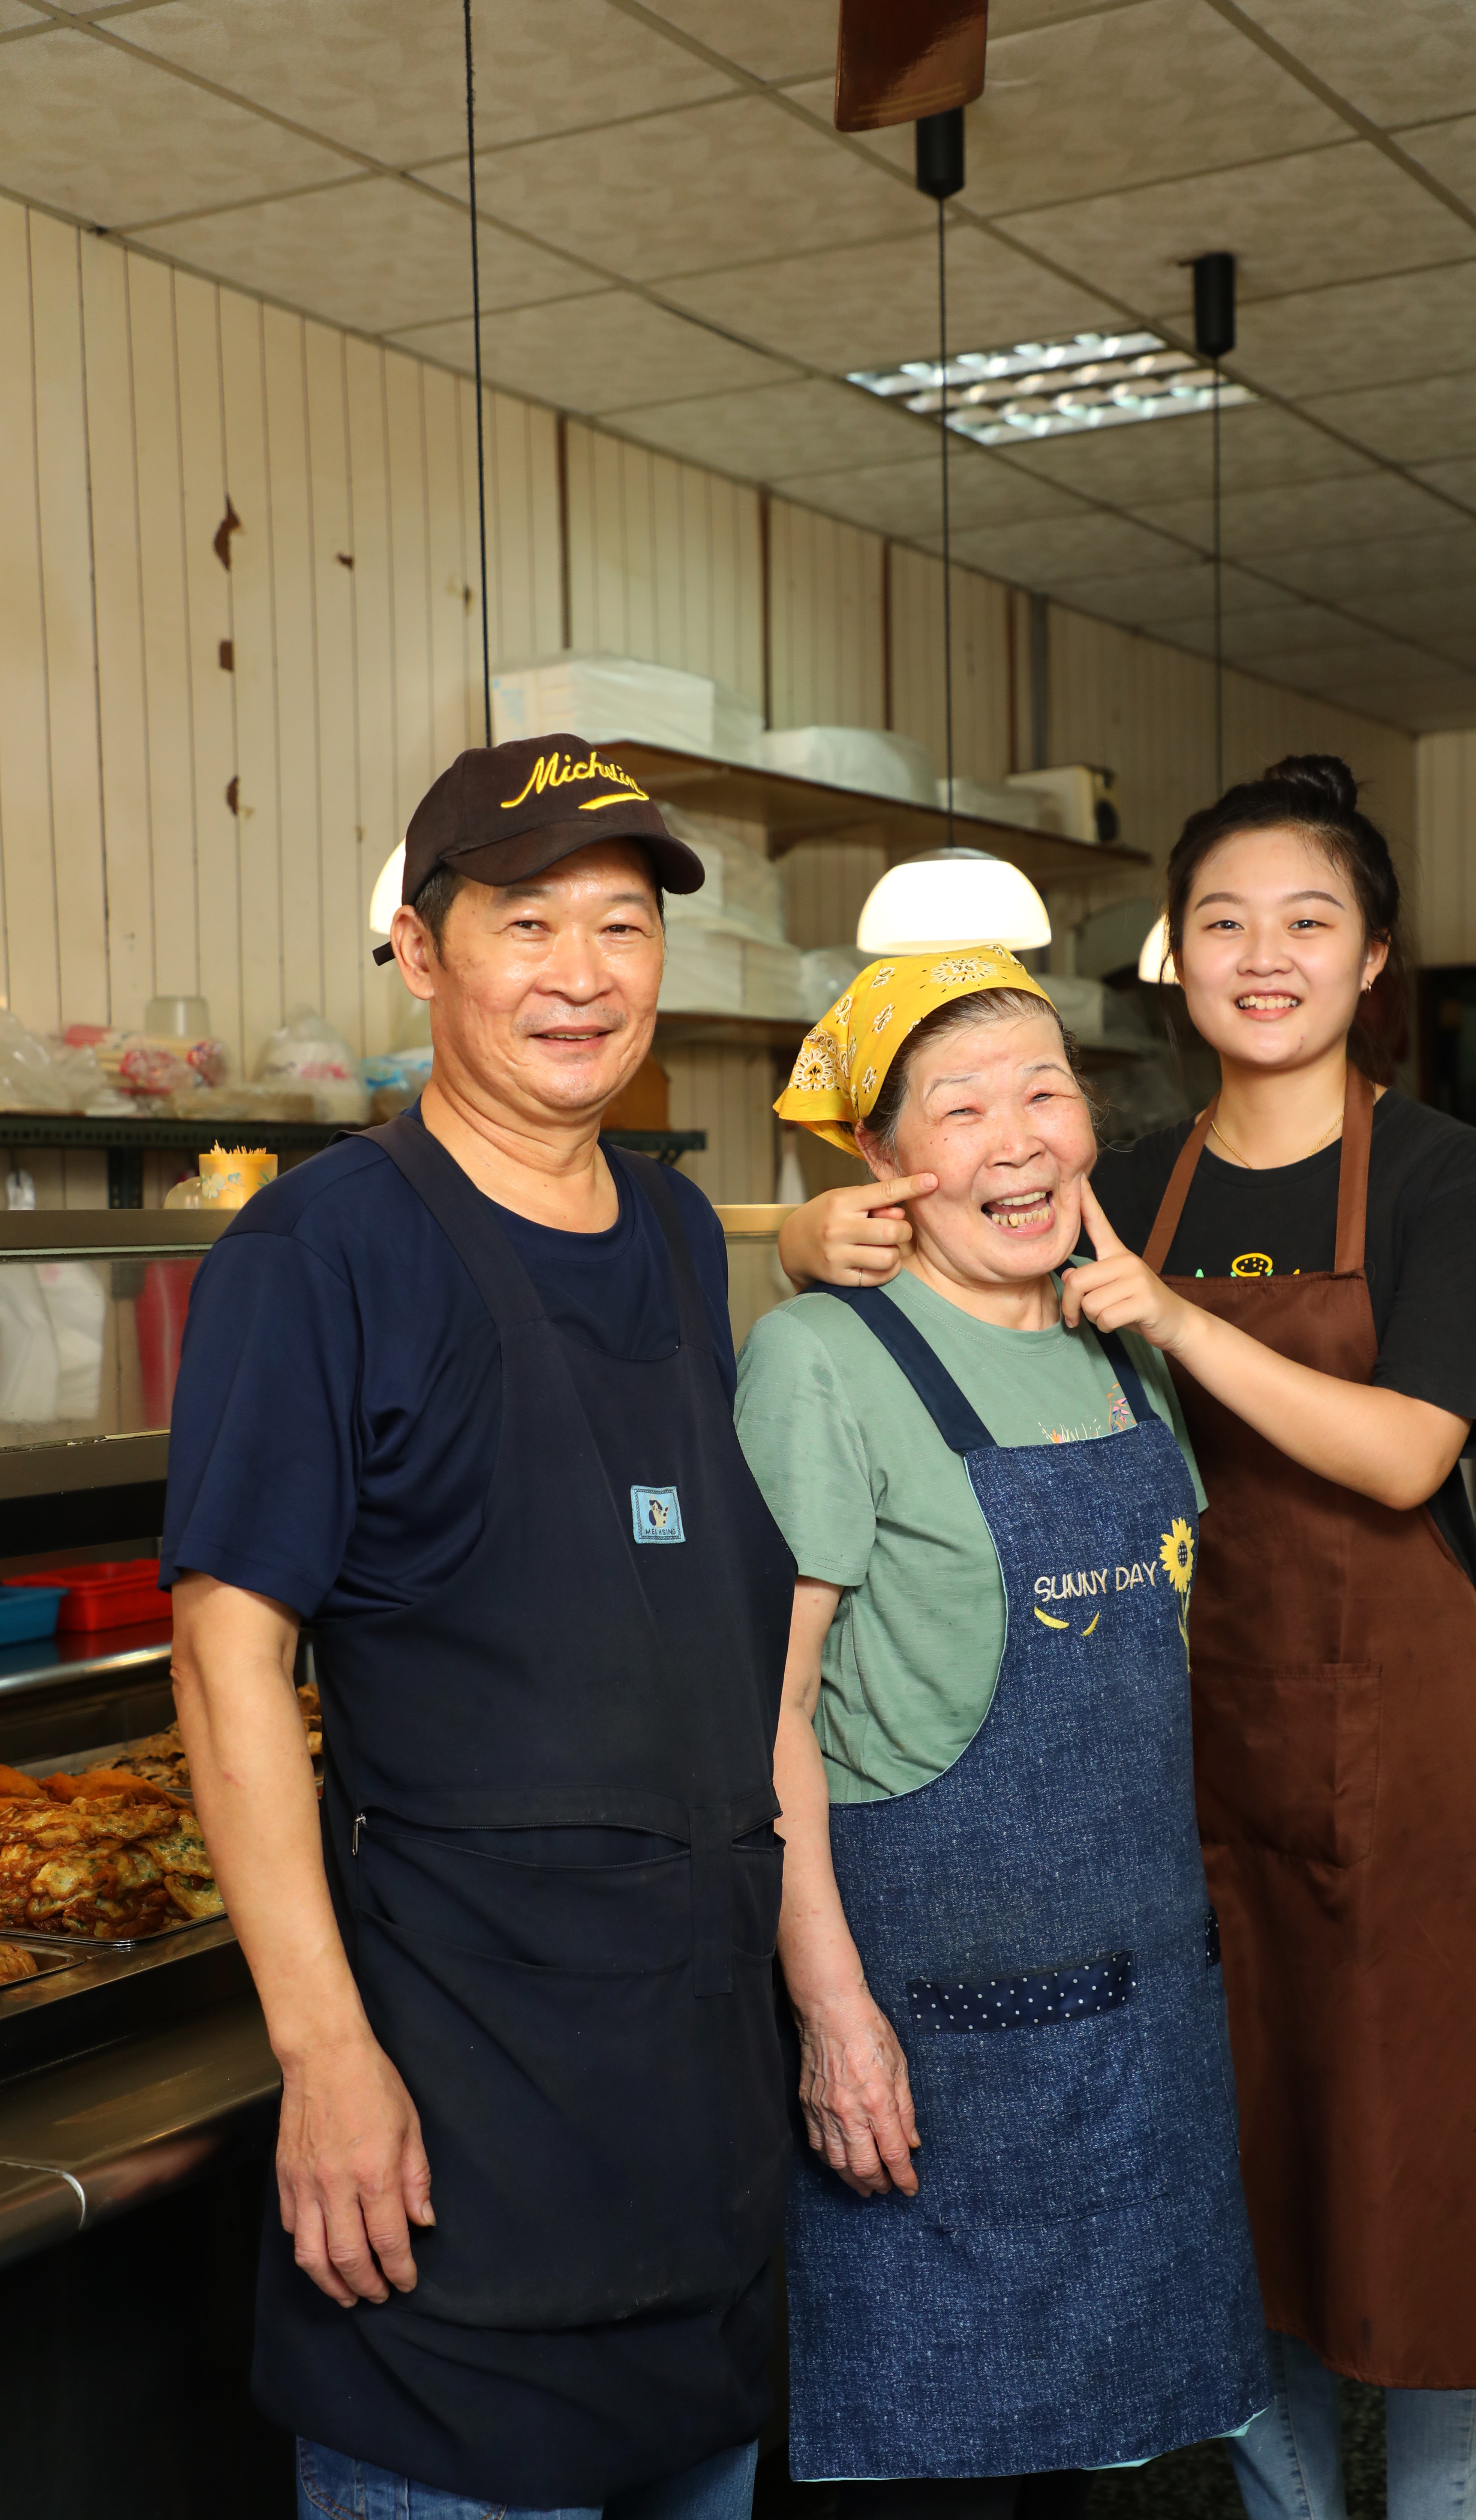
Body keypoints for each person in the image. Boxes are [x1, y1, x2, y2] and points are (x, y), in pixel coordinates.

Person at [778, 758, 1476, 2520]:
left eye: (1308, 922)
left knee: (1416, 2190)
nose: (1260, 956)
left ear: (1371, 965)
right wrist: (806, 1231)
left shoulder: (1442, 1174)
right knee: (1232, 2179)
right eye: (1221, 922)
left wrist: (1179, 1329)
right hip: (1170, 1761)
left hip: (1396, 1753)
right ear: (1171, 963)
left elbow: (1407, 1450)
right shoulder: (1119, 1170)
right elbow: (918, 1280)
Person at [165, 734, 796, 2520]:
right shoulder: (323, 1252)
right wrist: (325, 2058)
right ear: (423, 952)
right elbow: (228, 1661)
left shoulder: (677, 1230)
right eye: (529, 924)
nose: (584, 975)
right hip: (456, 2127)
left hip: (691, 2132)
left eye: (622, 925)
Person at [736, 949, 1269, 2513]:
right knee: (938, 2473)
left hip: (1140, 2021)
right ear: (885, 1167)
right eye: (960, 1108)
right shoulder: (822, 1357)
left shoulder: (1118, 1341)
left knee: (1075, 2475)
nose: (1019, 1137)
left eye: (1046, 1089)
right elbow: (767, 1718)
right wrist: (831, 2014)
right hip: (932, 2037)